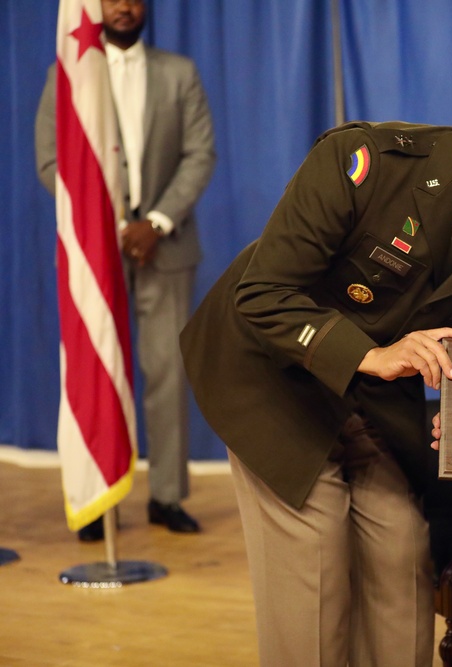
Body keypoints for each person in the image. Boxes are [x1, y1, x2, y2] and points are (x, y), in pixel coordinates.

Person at [179, 62, 452, 666]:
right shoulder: (365, 161)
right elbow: (263, 294)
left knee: (400, 555)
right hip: (272, 372)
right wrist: (371, 355)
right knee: (313, 562)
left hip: (374, 401)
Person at [35, 0, 216, 540]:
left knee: (166, 375)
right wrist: (107, 227)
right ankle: (95, 498)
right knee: (94, 369)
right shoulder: (67, 71)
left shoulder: (179, 72)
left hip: (166, 247)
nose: (123, 6)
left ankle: (165, 496)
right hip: (95, 253)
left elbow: (199, 154)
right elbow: (52, 159)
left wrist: (155, 223)